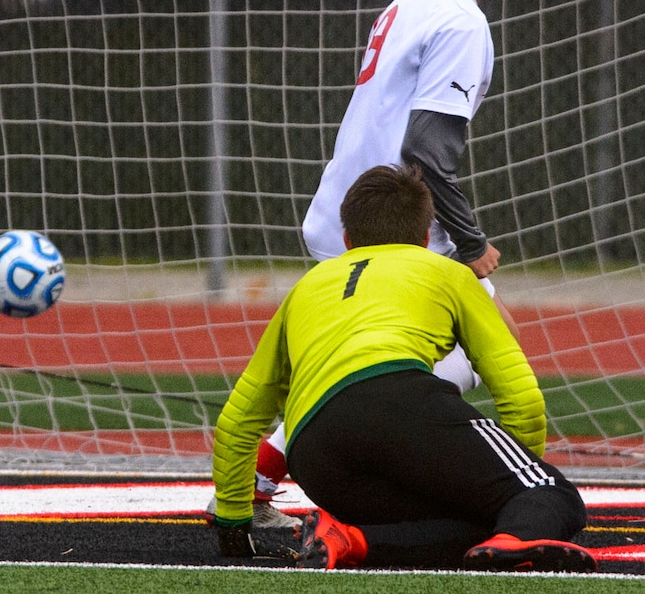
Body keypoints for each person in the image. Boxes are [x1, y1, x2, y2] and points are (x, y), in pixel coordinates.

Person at [243, 0, 534, 527]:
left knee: (395, 353)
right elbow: (427, 151)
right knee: (470, 336)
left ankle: (261, 478)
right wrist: (472, 241)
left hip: (346, 212)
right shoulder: (462, 21)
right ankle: (433, 483)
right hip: (391, 226)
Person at [212, 164, 595, 573]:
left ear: (346, 240)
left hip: (314, 452)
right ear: (427, 237)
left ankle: (351, 540)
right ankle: (518, 534)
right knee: (553, 496)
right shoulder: (448, 272)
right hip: (401, 401)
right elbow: (518, 389)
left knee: (471, 524)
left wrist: (234, 525)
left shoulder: (306, 287)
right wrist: (516, 484)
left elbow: (239, 419)